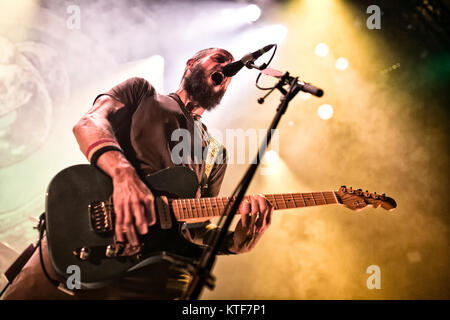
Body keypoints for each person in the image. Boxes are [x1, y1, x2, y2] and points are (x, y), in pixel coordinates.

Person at [2, 47, 274, 300]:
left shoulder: (216, 154)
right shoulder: (142, 92)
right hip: (85, 239)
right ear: (191, 64)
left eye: (230, 67)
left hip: (148, 277)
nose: (227, 67)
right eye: (219, 58)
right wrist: (124, 177)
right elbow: (89, 123)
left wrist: (234, 242)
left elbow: (197, 226)